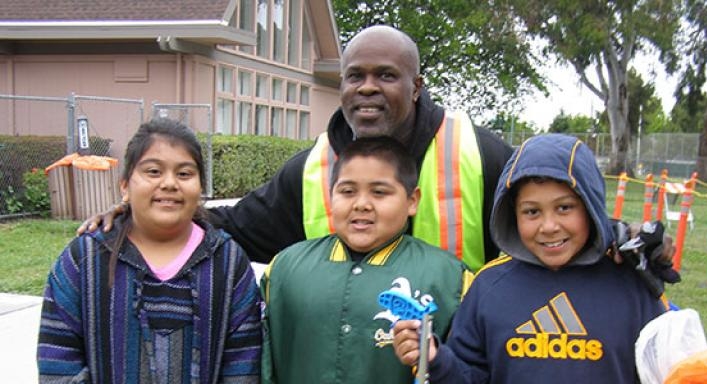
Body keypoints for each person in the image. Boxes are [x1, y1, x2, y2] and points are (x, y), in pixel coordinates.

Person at [78, 25, 676, 285]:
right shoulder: (311, 168)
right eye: (354, 75)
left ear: (416, 87)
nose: (367, 87)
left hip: (454, 361)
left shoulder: (478, 151)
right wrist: (144, 212)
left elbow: (553, 214)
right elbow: (235, 227)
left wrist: (617, 239)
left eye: (386, 76)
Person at [392, 134, 668, 383]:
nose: (548, 226)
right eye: (532, 212)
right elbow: (469, 376)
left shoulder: (633, 283)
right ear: (512, 214)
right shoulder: (490, 286)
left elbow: (666, 372)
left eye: (564, 207)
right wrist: (436, 360)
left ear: (590, 207)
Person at [38, 118, 262, 383]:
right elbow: (58, 362)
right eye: (153, 171)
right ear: (125, 185)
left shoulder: (228, 264)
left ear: (200, 186)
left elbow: (243, 366)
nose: (169, 183)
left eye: (184, 173)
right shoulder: (84, 260)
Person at [260, 136, 472, 383]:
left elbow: (469, 371)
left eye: (379, 192)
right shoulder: (283, 269)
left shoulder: (450, 278)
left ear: (412, 201)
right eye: (347, 191)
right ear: (331, 196)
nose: (361, 204)